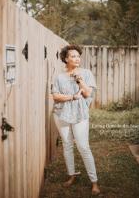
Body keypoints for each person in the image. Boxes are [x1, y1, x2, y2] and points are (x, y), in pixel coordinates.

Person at [51, 44, 100, 195]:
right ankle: (71, 175)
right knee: (67, 145)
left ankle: (94, 182)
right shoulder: (59, 77)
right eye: (73, 56)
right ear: (66, 59)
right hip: (61, 114)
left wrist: (79, 80)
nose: (77, 58)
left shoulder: (86, 73)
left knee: (83, 147)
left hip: (80, 115)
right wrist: (72, 97)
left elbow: (87, 93)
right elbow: (55, 96)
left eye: (78, 56)